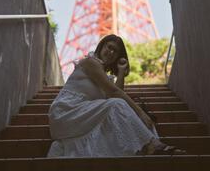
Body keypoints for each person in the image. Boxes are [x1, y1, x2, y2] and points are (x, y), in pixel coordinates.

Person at [47, 34, 185, 158]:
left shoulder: (104, 75)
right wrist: (141, 113)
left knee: (120, 107)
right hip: (65, 112)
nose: (111, 52)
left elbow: (114, 96)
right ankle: (151, 145)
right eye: (109, 47)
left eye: (115, 51)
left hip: (79, 117)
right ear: (101, 46)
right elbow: (115, 95)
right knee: (120, 106)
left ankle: (154, 146)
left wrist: (120, 71)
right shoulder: (90, 62)